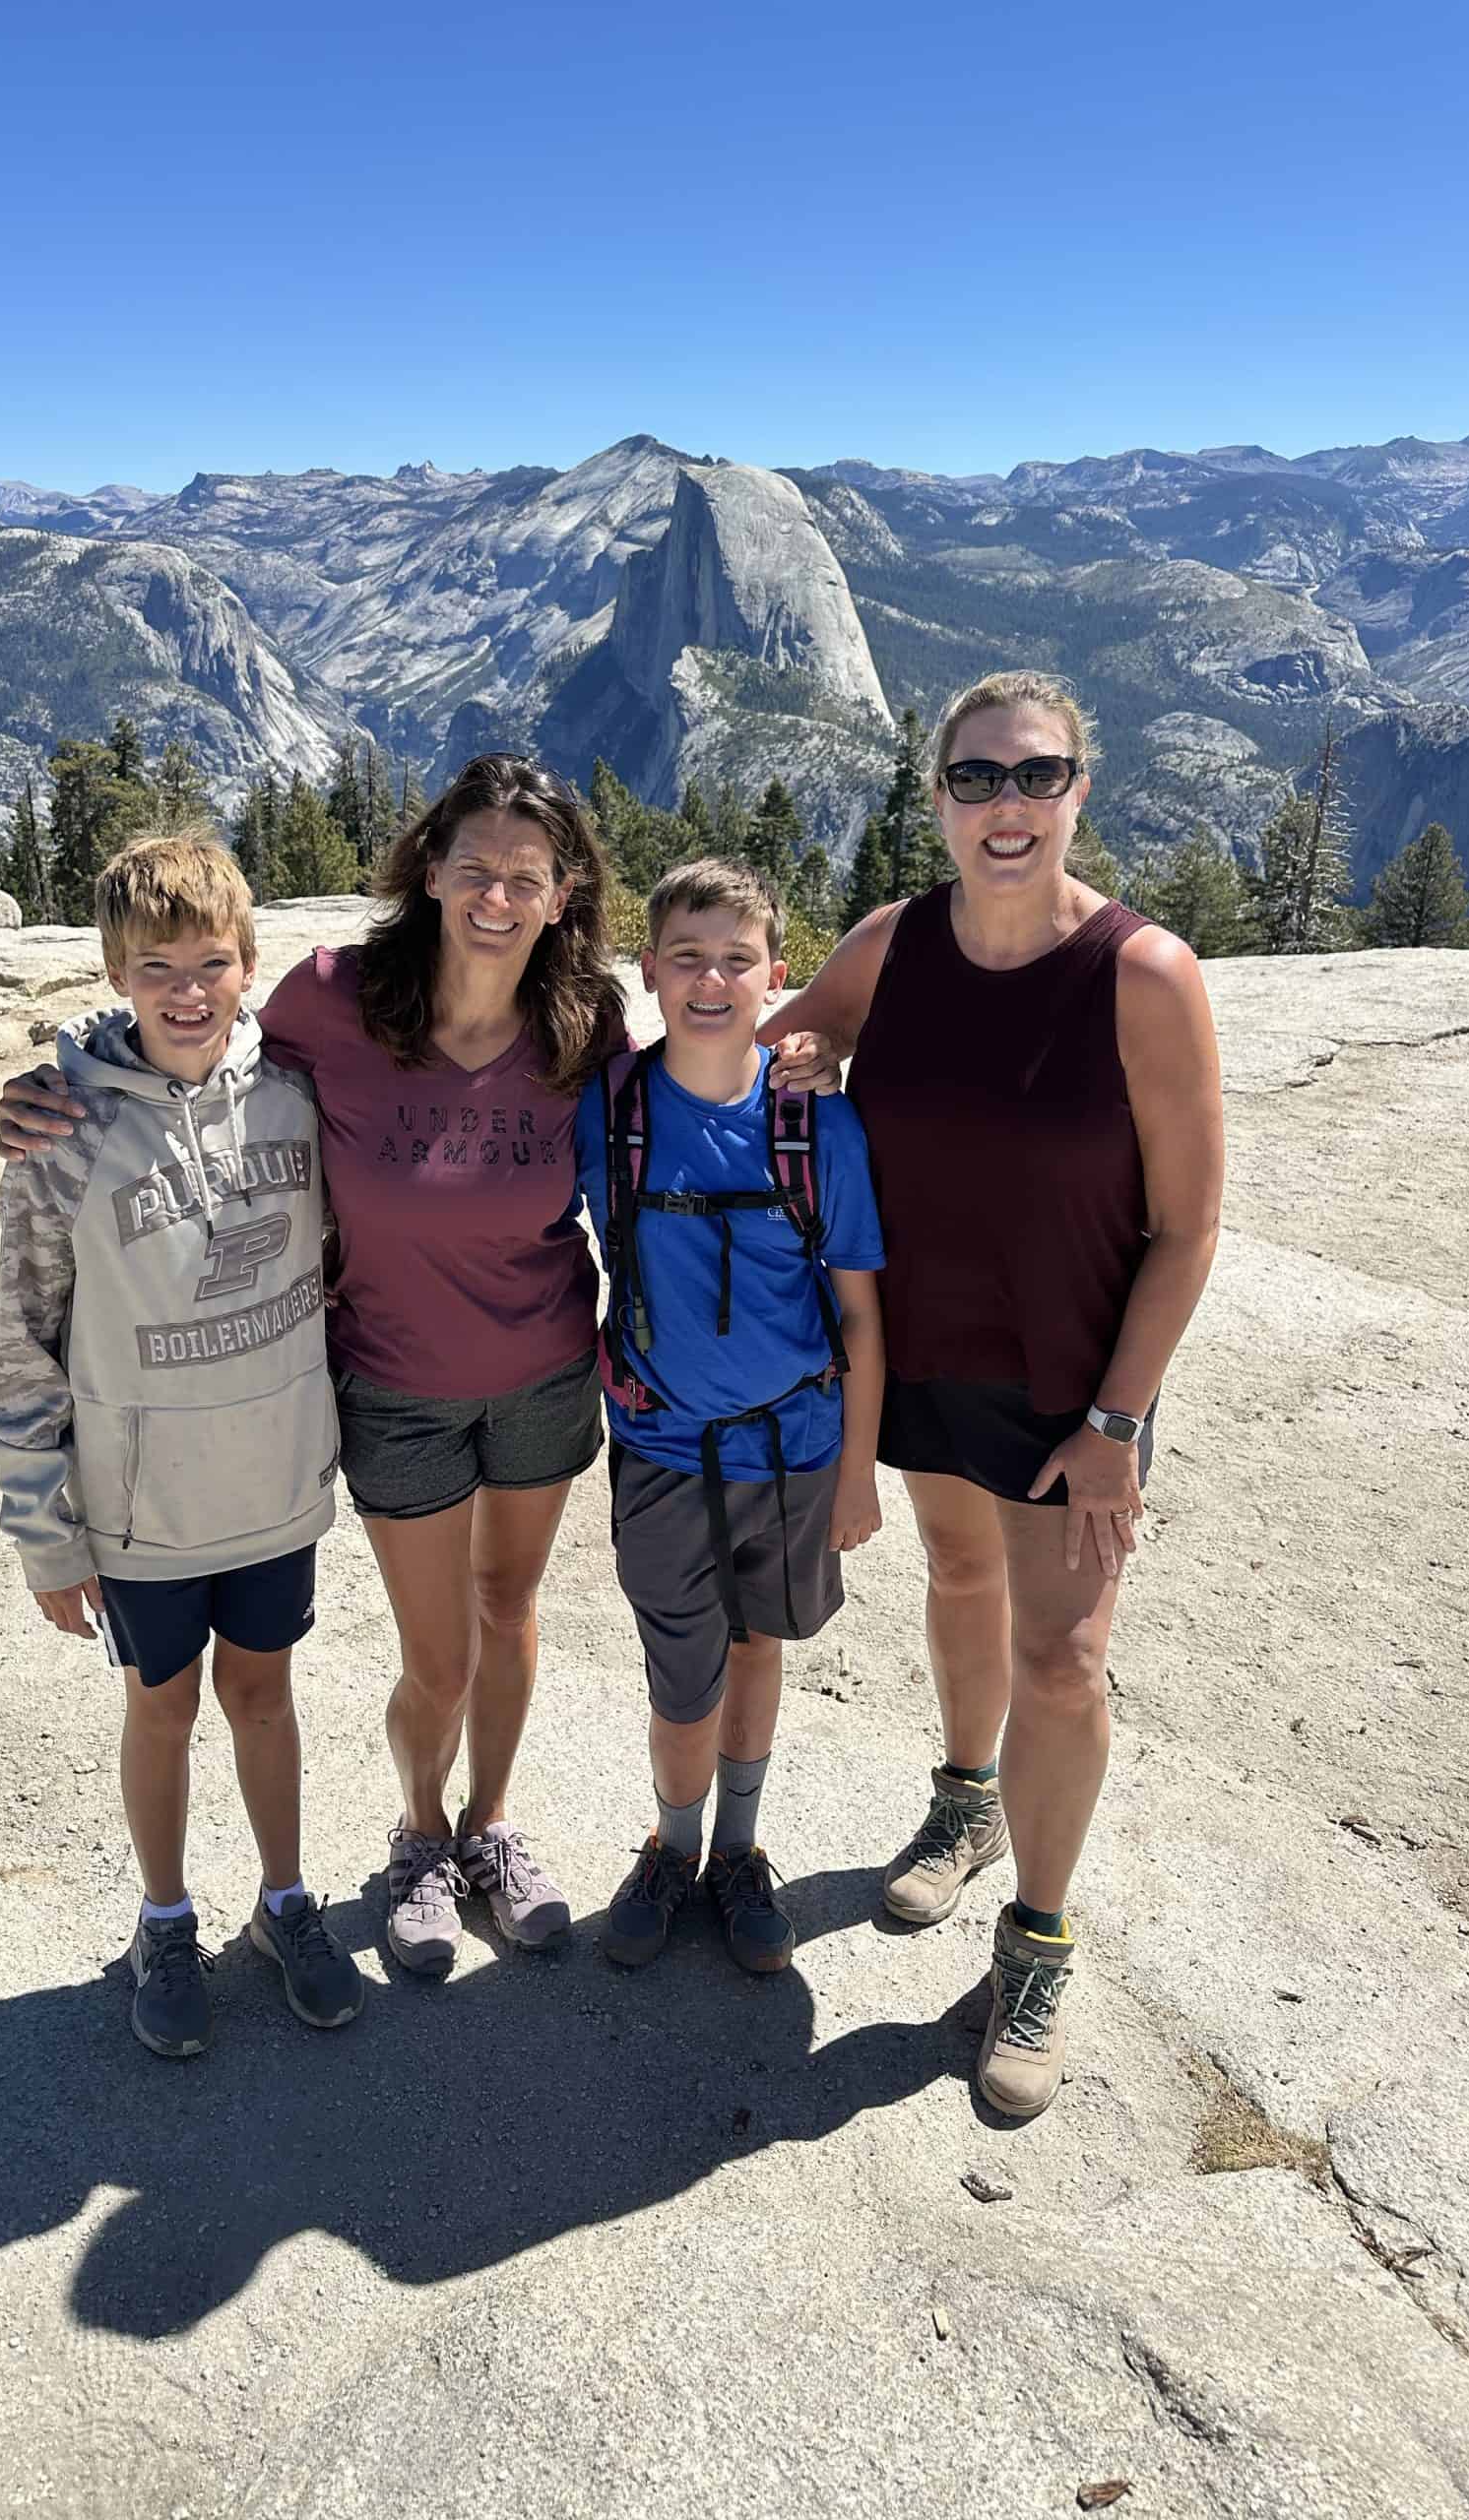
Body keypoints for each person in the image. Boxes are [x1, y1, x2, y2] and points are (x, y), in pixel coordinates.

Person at [759, 671, 1225, 2117]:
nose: (1005, 805)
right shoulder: (895, 945)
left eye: (1036, 776)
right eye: (975, 779)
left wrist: (1117, 1422)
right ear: (940, 795)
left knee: (1066, 1660)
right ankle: (962, 1799)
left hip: (1071, 1387)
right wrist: (794, 1061)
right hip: (923, 1349)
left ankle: (1038, 1938)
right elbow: (787, 1034)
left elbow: (1189, 1225)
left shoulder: (1144, 976)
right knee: (958, 1573)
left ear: (1081, 790)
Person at [0, 832, 362, 2057]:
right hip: (140, 1508)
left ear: (248, 961)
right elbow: (25, 1341)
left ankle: (287, 1903)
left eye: (210, 961)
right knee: (164, 1705)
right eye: (156, 967)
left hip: (270, 1487)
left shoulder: (299, 1100)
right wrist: (46, 1536)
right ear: (113, 973)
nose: (187, 991)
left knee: (266, 1696)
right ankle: (165, 1915)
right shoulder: (65, 1136)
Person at [580, 859, 885, 1974]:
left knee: (762, 1647)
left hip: (797, 1447)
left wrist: (858, 1473)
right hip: (662, 1442)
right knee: (681, 1669)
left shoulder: (820, 1128)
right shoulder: (607, 1108)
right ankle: (672, 1846)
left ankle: (736, 1853)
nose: (713, 980)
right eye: (689, 957)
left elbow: (860, 1311)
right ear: (650, 970)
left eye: (737, 959)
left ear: (777, 975)